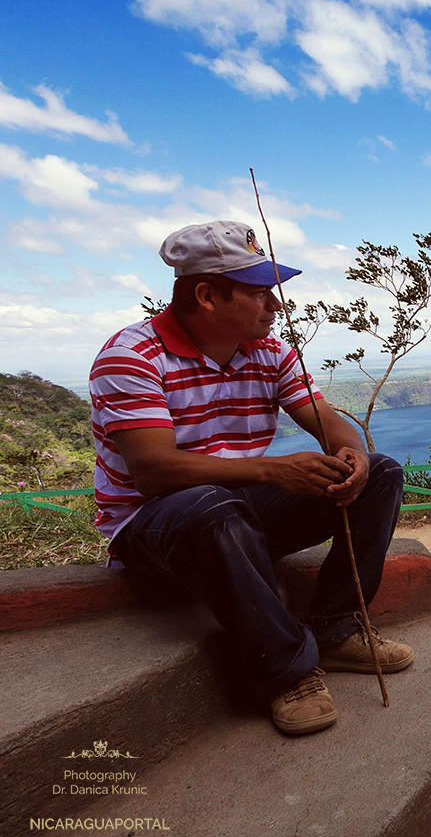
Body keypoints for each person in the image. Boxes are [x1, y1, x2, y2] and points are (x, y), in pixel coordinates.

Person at [89, 221, 412, 736]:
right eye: (260, 294)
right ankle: (286, 670)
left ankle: (334, 627)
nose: (275, 306)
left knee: (383, 473)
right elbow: (152, 471)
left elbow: (327, 421)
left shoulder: (271, 353)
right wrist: (270, 469)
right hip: (157, 527)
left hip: (235, 512)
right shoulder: (132, 357)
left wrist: (354, 456)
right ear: (207, 295)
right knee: (215, 506)